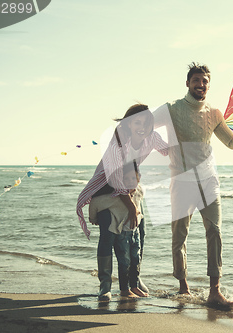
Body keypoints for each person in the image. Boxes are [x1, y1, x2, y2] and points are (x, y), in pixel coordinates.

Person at [153, 62, 233, 307]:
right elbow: (144, 127)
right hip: (181, 182)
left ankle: (214, 290)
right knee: (179, 237)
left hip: (208, 181)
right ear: (187, 83)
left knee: (215, 232)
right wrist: (162, 147)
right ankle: (183, 286)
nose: (201, 84)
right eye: (196, 80)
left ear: (209, 84)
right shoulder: (171, 109)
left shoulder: (215, 114)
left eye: (205, 80)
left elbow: (231, 142)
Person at [76, 104, 168, 301]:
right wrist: (131, 207)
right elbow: (114, 178)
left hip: (130, 184)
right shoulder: (117, 141)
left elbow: (169, 152)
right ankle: (105, 285)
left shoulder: (151, 137)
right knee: (108, 236)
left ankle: (134, 278)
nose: (142, 126)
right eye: (137, 122)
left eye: (146, 122)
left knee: (139, 233)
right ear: (128, 123)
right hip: (106, 189)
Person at [89, 162, 147, 299]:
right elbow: (97, 202)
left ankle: (134, 282)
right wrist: (93, 217)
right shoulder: (115, 151)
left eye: (135, 179)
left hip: (133, 232)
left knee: (135, 254)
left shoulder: (139, 190)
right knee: (115, 249)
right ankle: (107, 285)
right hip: (110, 191)